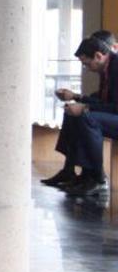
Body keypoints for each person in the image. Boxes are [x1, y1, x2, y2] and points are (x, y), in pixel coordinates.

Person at [42, 36, 117, 196]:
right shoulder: (107, 68)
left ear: (98, 56)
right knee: (72, 113)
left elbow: (115, 107)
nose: (87, 68)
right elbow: (104, 101)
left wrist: (85, 106)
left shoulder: (116, 68)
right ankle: (71, 170)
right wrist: (75, 97)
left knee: (88, 118)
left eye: (87, 63)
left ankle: (98, 178)